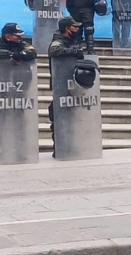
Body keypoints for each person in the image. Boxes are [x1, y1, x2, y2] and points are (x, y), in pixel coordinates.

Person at [48, 17, 85, 156]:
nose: (77, 29)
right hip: (60, 84)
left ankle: (71, 145)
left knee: (72, 117)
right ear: (67, 28)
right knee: (59, 117)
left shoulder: (73, 40)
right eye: (74, 27)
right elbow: (55, 51)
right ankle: (60, 147)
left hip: (72, 82)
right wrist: (73, 52)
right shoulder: (58, 40)